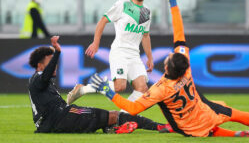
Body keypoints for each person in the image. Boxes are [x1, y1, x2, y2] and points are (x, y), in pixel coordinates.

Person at [89, 0, 249, 137]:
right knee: (236, 114)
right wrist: (173, 3)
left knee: (201, 130)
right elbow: (179, 34)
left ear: (166, 69)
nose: (167, 56)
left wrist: (108, 92)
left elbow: (132, 107)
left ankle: (237, 135)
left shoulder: (160, 89)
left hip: (187, 128)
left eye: (167, 59)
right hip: (204, 112)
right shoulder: (187, 70)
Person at [28, 36, 171, 133]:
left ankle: (111, 128)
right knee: (114, 115)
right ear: (40, 66)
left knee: (104, 117)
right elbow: (45, 77)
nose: (55, 66)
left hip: (58, 119)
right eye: (50, 63)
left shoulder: (39, 81)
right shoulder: (38, 78)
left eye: (55, 63)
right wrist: (58, 52)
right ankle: (158, 126)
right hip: (58, 119)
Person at [67, 0, 154, 108]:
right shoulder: (123, 4)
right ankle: (83, 89)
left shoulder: (147, 11)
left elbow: (145, 35)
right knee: (120, 87)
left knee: (143, 90)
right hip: (120, 51)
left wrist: (150, 57)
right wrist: (96, 43)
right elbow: (103, 21)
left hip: (134, 55)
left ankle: (122, 119)